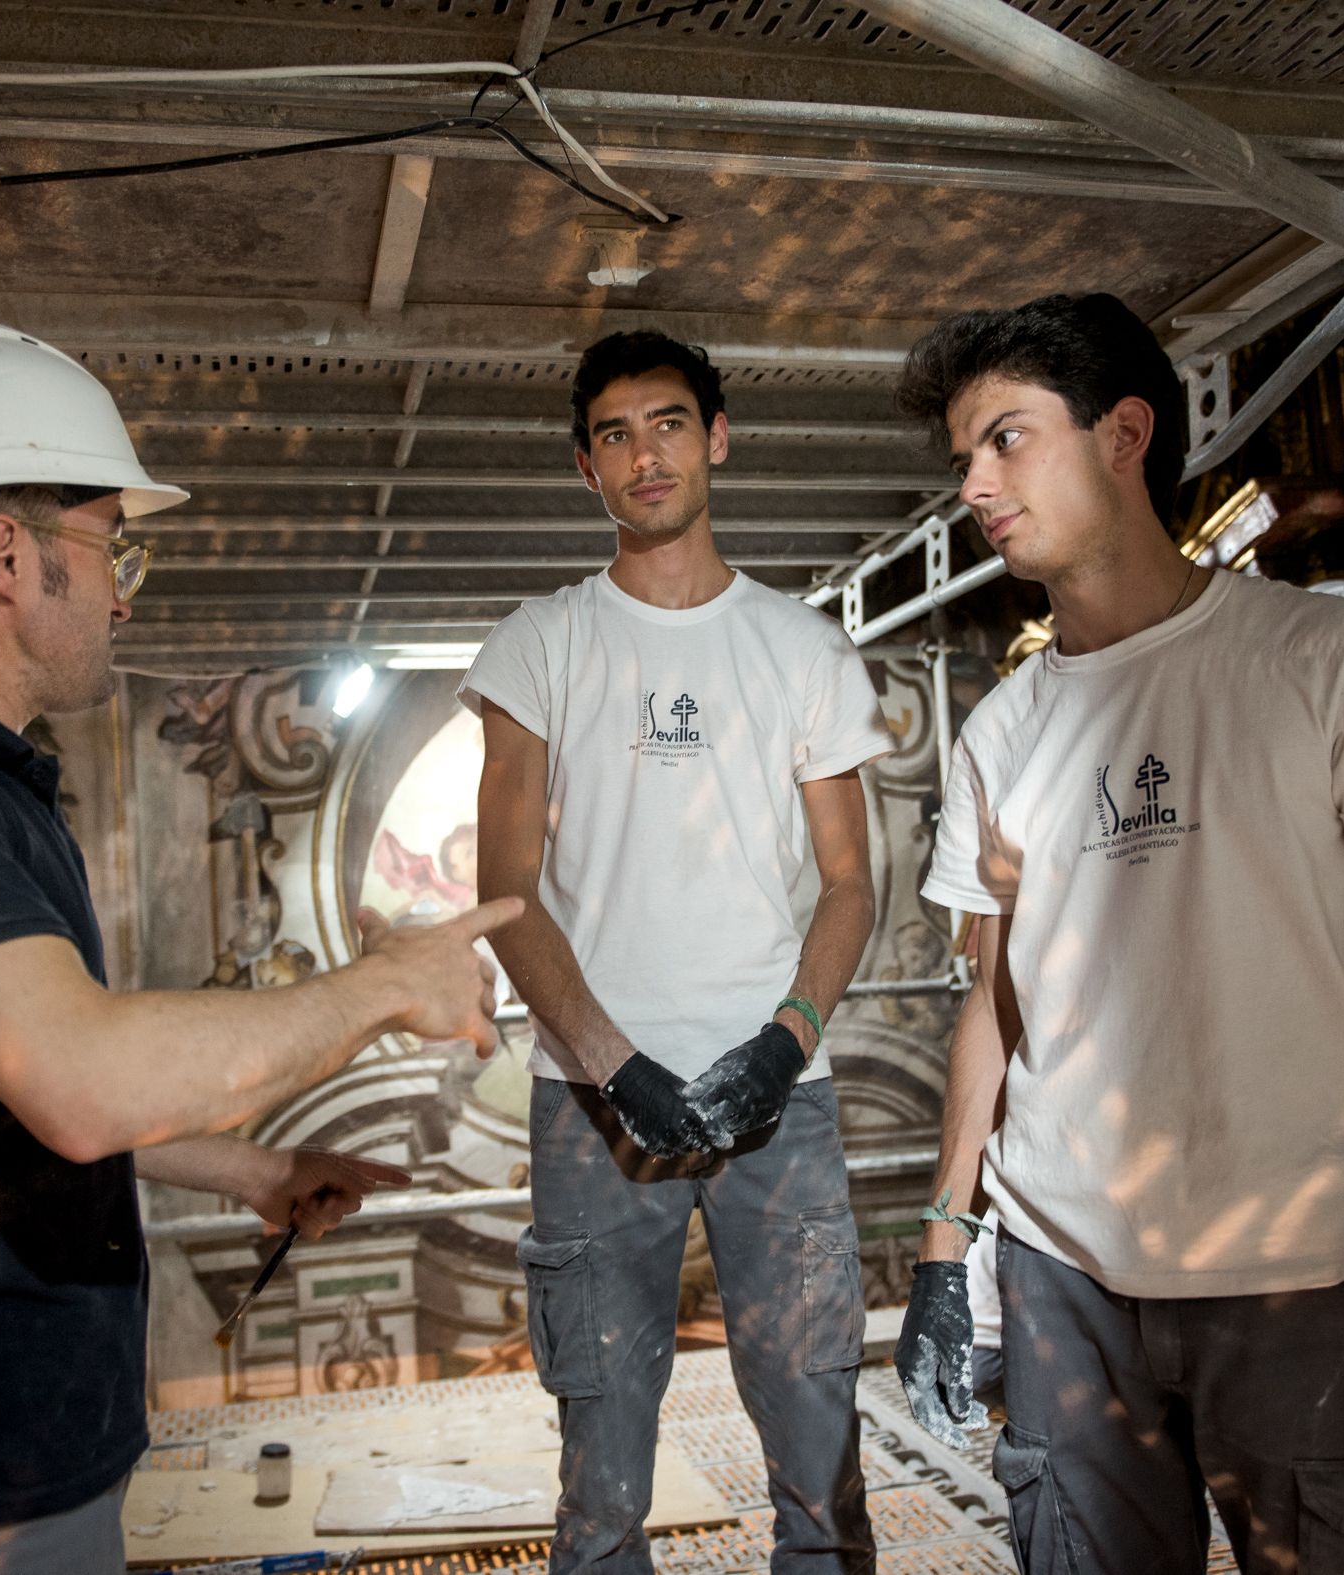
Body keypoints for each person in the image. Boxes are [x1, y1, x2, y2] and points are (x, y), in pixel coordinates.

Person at [0, 316, 518, 1573]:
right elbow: (80, 1081)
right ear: (9, 556)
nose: (127, 588)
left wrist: (244, 1173)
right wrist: (388, 983)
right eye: (110, 544)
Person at [888, 295, 1344, 1575]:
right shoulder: (1000, 734)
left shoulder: (1322, 654)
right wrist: (945, 1252)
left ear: (1124, 433)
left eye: (1004, 440)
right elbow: (996, 1005)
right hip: (1065, 1276)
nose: (973, 482)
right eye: (963, 455)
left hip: (1294, 1261)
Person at [466, 330, 892, 1575]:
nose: (643, 453)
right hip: (591, 1111)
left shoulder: (802, 646)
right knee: (601, 1483)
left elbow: (852, 884)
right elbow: (506, 893)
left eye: (666, 423)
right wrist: (615, 1067)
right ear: (584, 469)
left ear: (717, 436)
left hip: (782, 1108)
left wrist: (784, 1042)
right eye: (612, 434)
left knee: (820, 1459)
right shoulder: (538, 644)